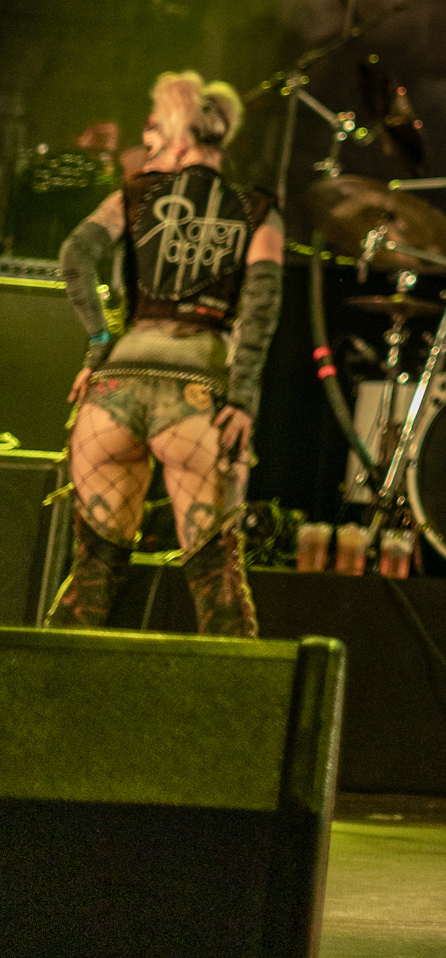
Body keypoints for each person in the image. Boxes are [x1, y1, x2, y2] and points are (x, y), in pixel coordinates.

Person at [52, 70, 286, 636]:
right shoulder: (258, 211)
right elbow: (260, 310)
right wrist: (243, 401)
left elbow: (74, 256)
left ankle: (36, 691)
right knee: (218, 588)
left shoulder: (134, 195)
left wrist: (99, 343)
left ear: (179, 138)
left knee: (91, 579)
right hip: (196, 397)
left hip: (114, 393)